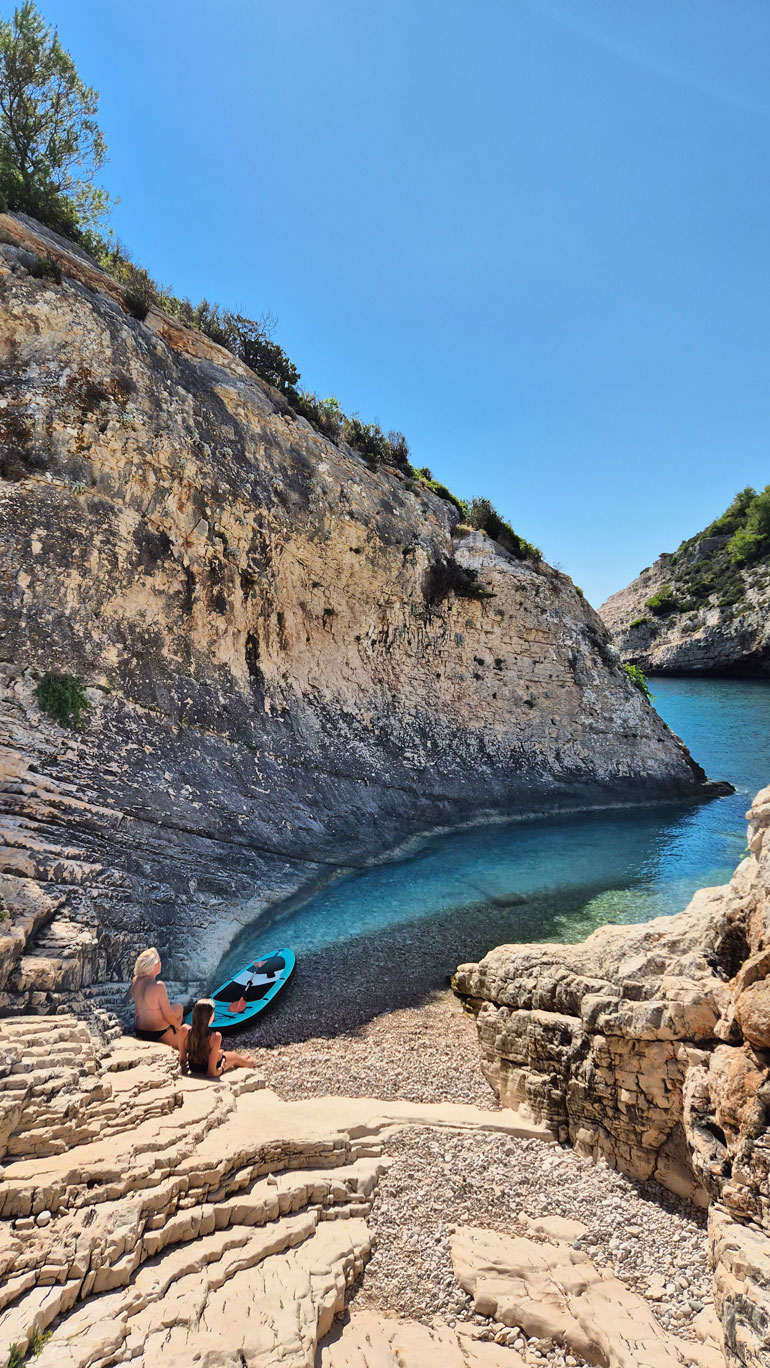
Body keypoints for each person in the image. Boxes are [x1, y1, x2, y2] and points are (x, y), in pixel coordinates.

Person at [129, 946, 190, 1060]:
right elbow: (169, 1016)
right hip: (160, 1033)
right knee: (179, 1010)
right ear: (154, 965)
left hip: (140, 1031)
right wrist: (178, 1027)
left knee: (178, 1007)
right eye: (159, 961)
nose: (161, 963)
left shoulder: (135, 980)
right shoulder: (158, 986)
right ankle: (181, 1051)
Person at [186, 998, 256, 1078]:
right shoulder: (215, 1036)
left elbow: (183, 1060)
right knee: (234, 1056)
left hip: (193, 1067)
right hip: (207, 1067)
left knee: (221, 1052)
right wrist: (223, 1067)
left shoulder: (185, 1030)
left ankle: (235, 1057)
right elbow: (211, 1073)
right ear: (210, 1016)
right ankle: (249, 1063)